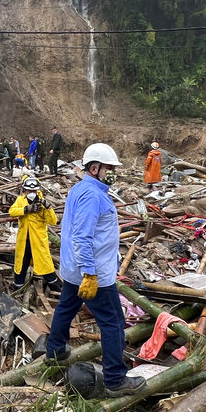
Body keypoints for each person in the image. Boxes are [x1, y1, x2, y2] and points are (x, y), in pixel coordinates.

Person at [46, 143, 143, 397]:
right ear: (94, 167)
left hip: (74, 270)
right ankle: (115, 380)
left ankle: (55, 351)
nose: (112, 172)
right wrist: (90, 272)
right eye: (109, 168)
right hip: (93, 274)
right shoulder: (92, 195)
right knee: (113, 323)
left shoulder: (81, 189)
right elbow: (82, 236)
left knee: (66, 307)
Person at [9, 177, 61, 292]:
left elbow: (53, 221)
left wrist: (48, 207)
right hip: (24, 242)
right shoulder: (20, 201)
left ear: (37, 191)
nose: (31, 194)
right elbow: (12, 211)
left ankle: (57, 290)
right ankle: (17, 289)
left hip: (38, 242)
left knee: (46, 266)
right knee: (21, 266)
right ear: (25, 191)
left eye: (33, 191)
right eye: (29, 191)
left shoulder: (42, 203)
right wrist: (27, 209)